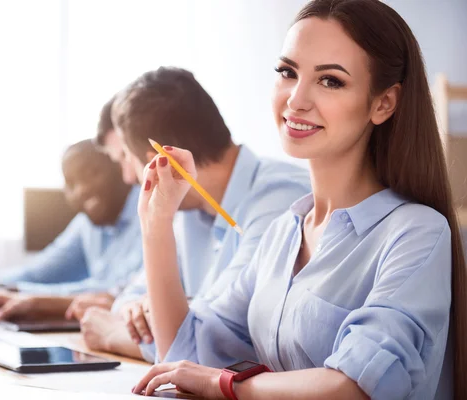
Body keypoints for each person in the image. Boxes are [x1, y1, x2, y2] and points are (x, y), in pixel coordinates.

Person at [130, 1, 467, 399]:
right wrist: (157, 225)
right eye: (288, 72)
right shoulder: (282, 234)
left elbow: (356, 387)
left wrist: (225, 385)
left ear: (383, 103)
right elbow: (185, 351)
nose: (295, 99)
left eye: (330, 81)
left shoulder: (417, 232)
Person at [81, 67, 311, 361]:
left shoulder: (282, 201)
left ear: (161, 163)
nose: (128, 177)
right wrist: (137, 310)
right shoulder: (189, 208)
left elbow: (210, 346)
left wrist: (116, 336)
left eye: (127, 157)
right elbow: (131, 296)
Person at [0, 116, 143, 322]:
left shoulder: (149, 213)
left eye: (92, 173)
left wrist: (8, 294)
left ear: (120, 166)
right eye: (70, 184)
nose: (80, 190)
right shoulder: (87, 224)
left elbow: (120, 292)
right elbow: (36, 273)